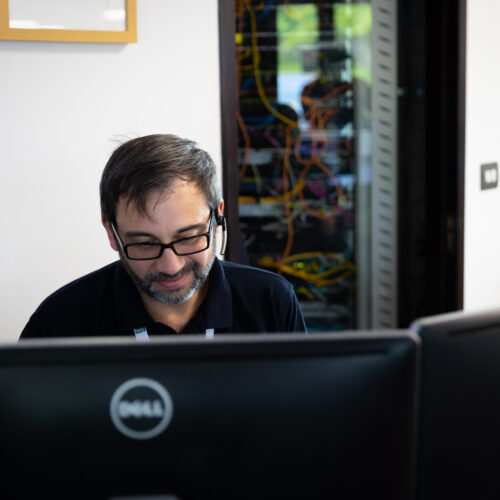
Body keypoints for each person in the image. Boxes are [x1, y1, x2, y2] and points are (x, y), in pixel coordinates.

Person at [20, 134, 306, 339]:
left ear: (217, 219)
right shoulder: (60, 321)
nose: (171, 266)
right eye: (145, 244)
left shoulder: (271, 303)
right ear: (111, 232)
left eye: (188, 237)